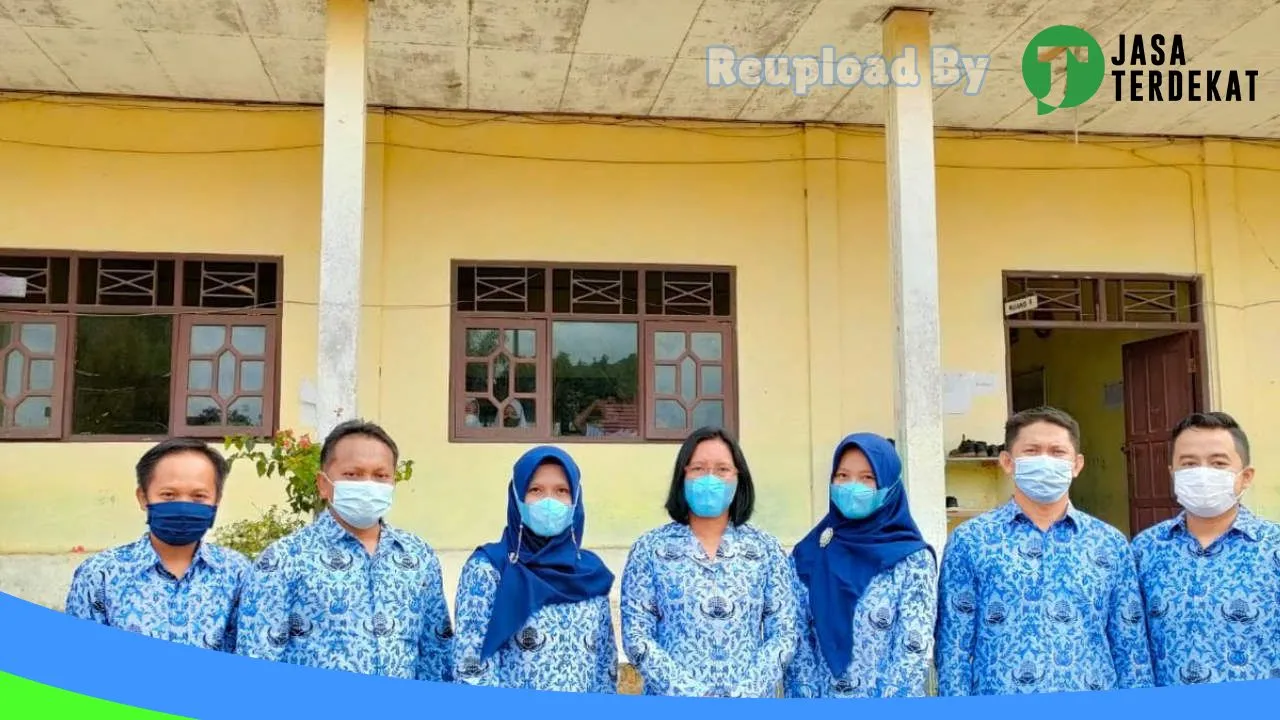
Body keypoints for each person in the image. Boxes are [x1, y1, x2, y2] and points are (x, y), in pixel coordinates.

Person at [935, 406, 1153, 695]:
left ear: (1077, 465)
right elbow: (954, 648)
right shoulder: (971, 541)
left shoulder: (1110, 544)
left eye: (1057, 452)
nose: (1045, 460)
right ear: (1007, 462)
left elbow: (1131, 649)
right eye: (1032, 451)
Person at [235, 419, 454, 681]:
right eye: (353, 474)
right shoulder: (283, 559)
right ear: (323, 484)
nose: (368, 484)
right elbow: (258, 662)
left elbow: (436, 653)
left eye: (381, 475)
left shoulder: (418, 555)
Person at [620, 426, 797, 697]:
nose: (710, 478)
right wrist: (692, 695)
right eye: (699, 469)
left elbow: (783, 635)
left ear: (739, 478)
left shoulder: (766, 550)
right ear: (683, 476)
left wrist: (745, 694)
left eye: (723, 469)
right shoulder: (650, 549)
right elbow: (637, 637)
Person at [452, 446, 617, 691]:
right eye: (536, 490)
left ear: (576, 500)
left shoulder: (590, 574)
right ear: (517, 499)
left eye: (562, 491)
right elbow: (471, 668)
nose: (549, 501)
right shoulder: (489, 570)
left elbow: (605, 669)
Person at [1132, 411, 1280, 685]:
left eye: (1218, 463)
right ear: (1172, 474)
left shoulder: (1274, 548)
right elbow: (1132, 644)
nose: (1202, 473)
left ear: (1246, 476)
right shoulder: (1145, 549)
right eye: (1188, 464)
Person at [785, 432, 936, 698]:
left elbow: (913, 649)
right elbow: (799, 644)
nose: (852, 486)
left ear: (889, 487)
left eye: (868, 478)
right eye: (842, 476)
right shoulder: (809, 553)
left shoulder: (912, 560)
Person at [64, 438, 249, 652]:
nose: (183, 507)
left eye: (199, 496)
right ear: (143, 497)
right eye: (168, 495)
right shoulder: (100, 574)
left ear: (216, 500)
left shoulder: (237, 573)